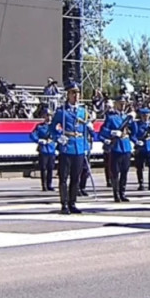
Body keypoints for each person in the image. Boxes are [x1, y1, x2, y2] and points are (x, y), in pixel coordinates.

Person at [50, 82, 93, 214]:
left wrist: (86, 145)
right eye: (73, 93)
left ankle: (72, 203)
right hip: (67, 146)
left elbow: (85, 130)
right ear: (68, 94)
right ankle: (64, 204)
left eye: (77, 93)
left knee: (76, 177)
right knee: (64, 177)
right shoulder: (62, 111)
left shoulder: (83, 111)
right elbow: (52, 128)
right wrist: (58, 137)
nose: (76, 96)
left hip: (79, 147)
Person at [99, 97, 136, 202]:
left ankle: (122, 193)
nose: (123, 105)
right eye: (120, 103)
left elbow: (134, 132)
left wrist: (133, 120)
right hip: (116, 147)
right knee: (115, 172)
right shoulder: (111, 117)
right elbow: (103, 131)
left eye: (124, 103)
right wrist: (111, 132)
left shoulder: (127, 117)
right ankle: (116, 194)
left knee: (125, 171)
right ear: (116, 104)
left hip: (126, 147)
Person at [29, 107, 57, 191]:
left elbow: (58, 135)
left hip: (51, 149)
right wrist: (39, 140)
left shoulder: (54, 126)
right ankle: (44, 185)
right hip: (43, 149)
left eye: (50, 115)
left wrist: (55, 139)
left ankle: (49, 184)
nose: (49, 117)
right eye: (47, 115)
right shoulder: (40, 126)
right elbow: (32, 135)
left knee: (50, 168)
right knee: (43, 168)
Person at [132, 107, 150, 191]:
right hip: (141, 148)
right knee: (139, 166)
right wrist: (136, 141)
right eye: (144, 115)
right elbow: (133, 135)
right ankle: (141, 183)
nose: (145, 117)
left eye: (147, 115)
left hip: (149, 147)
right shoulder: (137, 124)